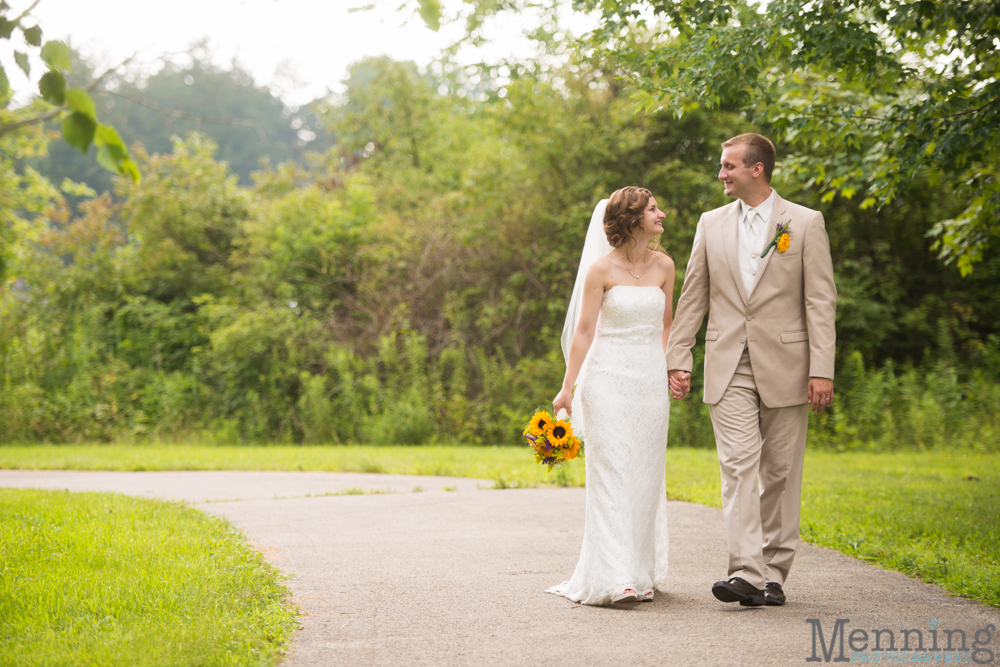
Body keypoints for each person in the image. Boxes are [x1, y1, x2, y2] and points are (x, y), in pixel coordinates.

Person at [666, 133, 837, 607]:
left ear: (756, 169)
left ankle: (774, 574)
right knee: (738, 466)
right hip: (727, 363)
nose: (721, 174)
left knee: (780, 472)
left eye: (728, 167)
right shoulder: (710, 223)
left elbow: (819, 300)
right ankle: (745, 571)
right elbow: (693, 294)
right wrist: (679, 356)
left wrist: (822, 367)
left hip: (788, 362)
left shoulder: (803, 223)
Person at [548, 186, 675, 606]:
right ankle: (615, 576)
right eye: (653, 209)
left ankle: (639, 570)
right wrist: (568, 387)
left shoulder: (665, 266)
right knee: (613, 473)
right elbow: (584, 331)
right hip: (605, 380)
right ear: (632, 218)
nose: (662, 214)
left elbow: (666, 326)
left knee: (644, 473)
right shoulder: (600, 269)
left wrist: (670, 368)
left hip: (649, 382)